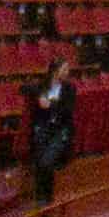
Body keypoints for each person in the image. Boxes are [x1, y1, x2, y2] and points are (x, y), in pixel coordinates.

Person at [27, 59, 77, 205]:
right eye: (65, 69)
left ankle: (46, 199)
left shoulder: (69, 89)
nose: (67, 72)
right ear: (56, 71)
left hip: (59, 131)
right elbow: (25, 88)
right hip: (43, 129)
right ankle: (40, 197)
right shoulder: (43, 86)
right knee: (39, 162)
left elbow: (67, 109)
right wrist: (39, 97)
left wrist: (50, 104)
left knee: (46, 162)